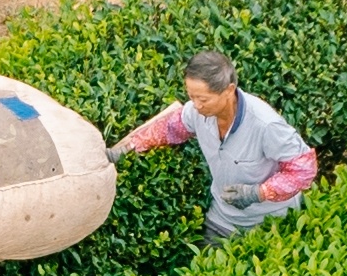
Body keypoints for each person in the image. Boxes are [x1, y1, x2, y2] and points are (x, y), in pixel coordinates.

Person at [112, 50, 318, 238]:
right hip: (222, 218)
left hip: (269, 224)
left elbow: (304, 170)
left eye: (203, 99)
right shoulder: (196, 112)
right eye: (191, 97)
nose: (196, 105)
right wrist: (128, 148)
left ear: (229, 90)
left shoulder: (266, 125)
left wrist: (259, 193)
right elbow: (169, 129)